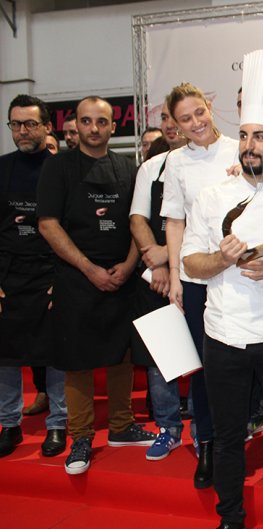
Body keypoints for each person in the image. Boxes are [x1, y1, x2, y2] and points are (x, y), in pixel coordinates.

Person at [183, 49, 263, 529]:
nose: (249, 145)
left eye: (260, 136)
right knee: (230, 436)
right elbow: (190, 263)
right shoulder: (212, 196)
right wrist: (222, 258)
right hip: (223, 335)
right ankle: (231, 520)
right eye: (243, 135)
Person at [37, 96, 156, 475]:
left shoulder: (128, 168)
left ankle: (121, 426)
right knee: (78, 361)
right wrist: (88, 268)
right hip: (77, 277)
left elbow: (138, 221)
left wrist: (128, 264)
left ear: (112, 127)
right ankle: (82, 437)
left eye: (101, 122)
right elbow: (48, 224)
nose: (93, 128)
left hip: (122, 275)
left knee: (121, 353)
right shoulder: (58, 168)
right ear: (76, 124)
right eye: (86, 121)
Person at [161, 82, 240, 489]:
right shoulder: (175, 162)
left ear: (211, 106)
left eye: (199, 112)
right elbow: (175, 220)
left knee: (242, 361)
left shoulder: (240, 148)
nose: (195, 123)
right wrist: (175, 276)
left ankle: (241, 433)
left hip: (241, 272)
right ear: (173, 125)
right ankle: (207, 442)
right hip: (196, 276)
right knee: (204, 367)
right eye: (184, 118)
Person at [0, 94, 66, 458]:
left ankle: (58, 424)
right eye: (15, 124)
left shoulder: (64, 168)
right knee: (5, 356)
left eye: (29, 124)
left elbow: (74, 229)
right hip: (8, 275)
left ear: (46, 126)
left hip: (50, 274)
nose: (22, 131)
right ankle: (9, 425)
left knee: (53, 354)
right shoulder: (1, 168)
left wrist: (65, 278)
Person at [129, 101, 188, 461]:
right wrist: (158, 261)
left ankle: (203, 428)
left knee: (200, 354)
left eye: (175, 117)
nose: (169, 125)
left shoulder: (211, 165)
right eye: (164, 118)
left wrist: (171, 256)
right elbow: (138, 219)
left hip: (197, 273)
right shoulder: (151, 167)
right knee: (160, 357)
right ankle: (169, 427)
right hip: (157, 278)